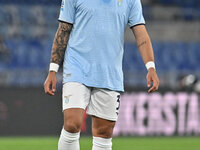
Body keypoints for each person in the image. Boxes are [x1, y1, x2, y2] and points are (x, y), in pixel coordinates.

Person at [44, 0, 159, 149]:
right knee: (72, 123)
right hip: (77, 67)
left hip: (109, 72)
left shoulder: (131, 1)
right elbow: (63, 30)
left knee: (104, 132)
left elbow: (141, 34)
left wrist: (150, 67)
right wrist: (53, 69)